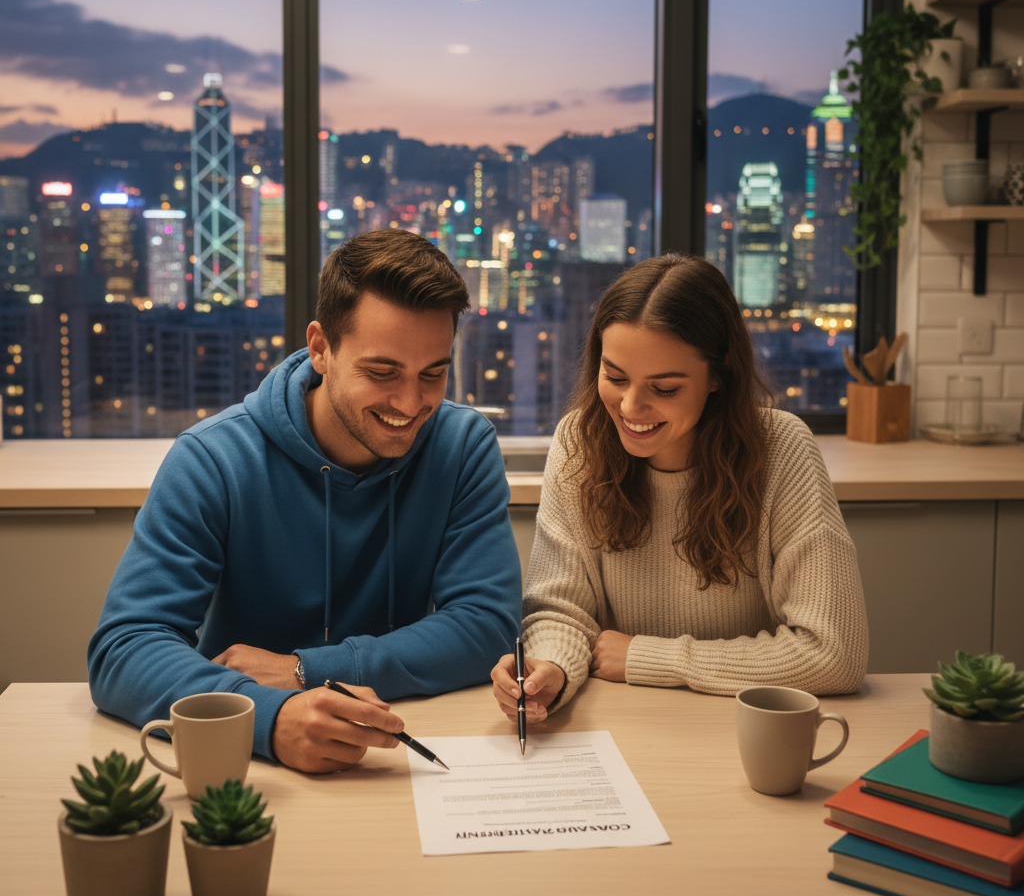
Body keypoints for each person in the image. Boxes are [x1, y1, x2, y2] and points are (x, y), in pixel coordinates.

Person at [89, 228, 522, 773]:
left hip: (398, 748)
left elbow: (487, 626)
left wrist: (305, 670)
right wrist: (272, 717)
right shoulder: (212, 458)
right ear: (321, 349)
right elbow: (123, 650)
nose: (412, 403)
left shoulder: (462, 445)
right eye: (382, 372)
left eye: (433, 374)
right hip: (252, 765)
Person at [491, 253, 868, 724]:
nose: (630, 406)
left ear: (718, 375)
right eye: (615, 377)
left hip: (742, 726)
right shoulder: (578, 442)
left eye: (664, 388)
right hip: (625, 724)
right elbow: (561, 610)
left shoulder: (782, 449)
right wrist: (551, 668)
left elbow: (834, 655)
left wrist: (649, 658)